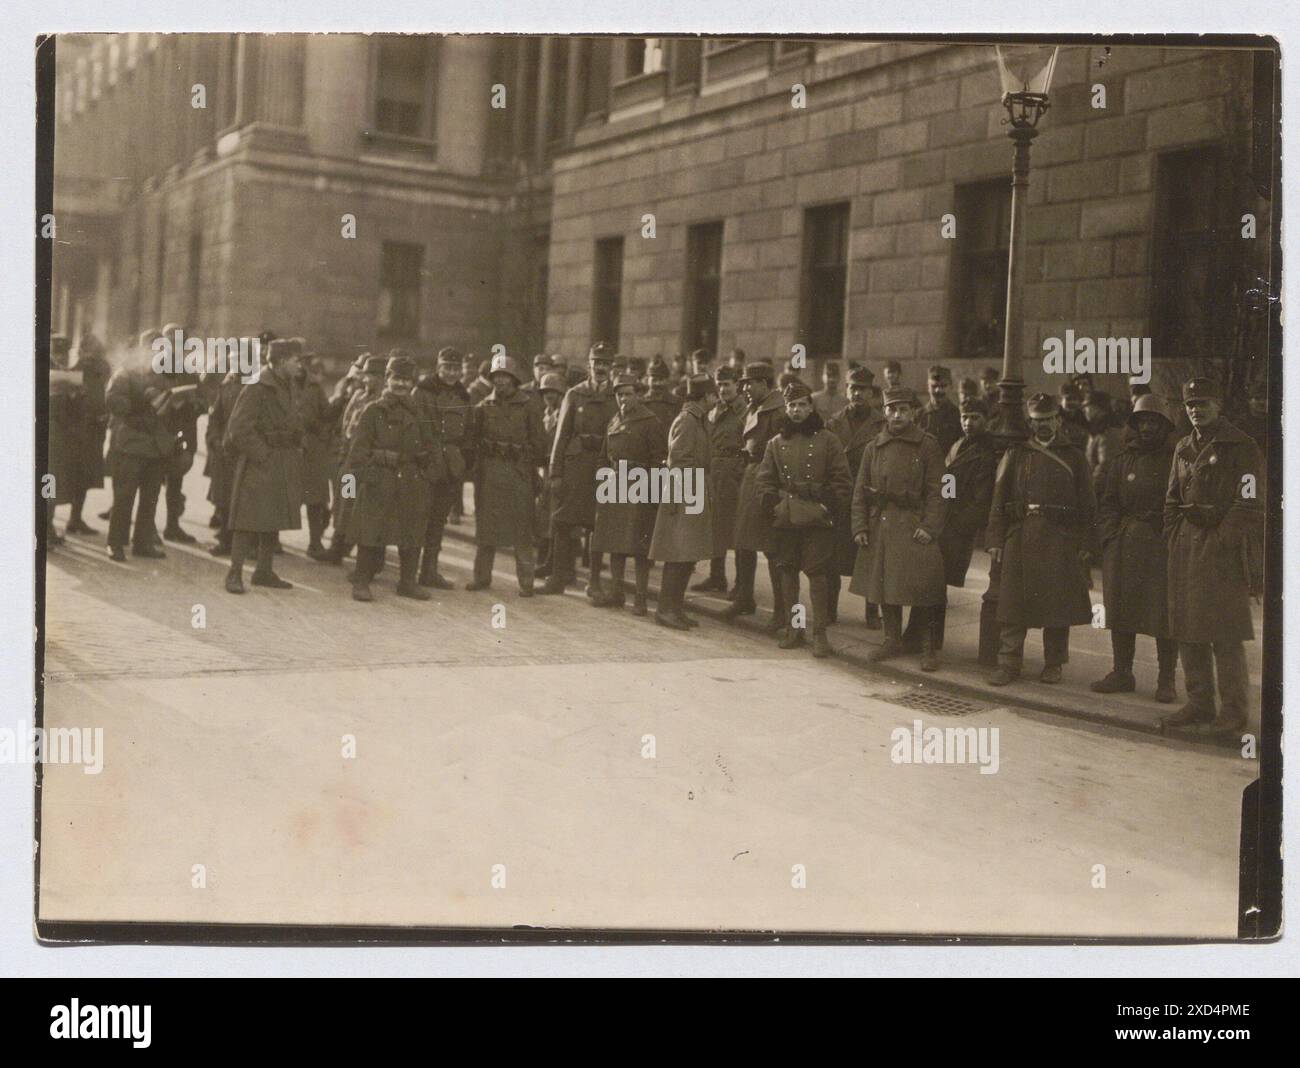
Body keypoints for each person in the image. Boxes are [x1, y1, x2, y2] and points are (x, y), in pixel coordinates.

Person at [1162, 377, 1264, 737]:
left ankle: (1233, 712)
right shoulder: (1183, 447)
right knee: (1189, 631)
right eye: (1190, 404)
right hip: (1186, 548)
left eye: (1203, 403)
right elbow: (1172, 499)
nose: (1195, 409)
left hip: (1221, 551)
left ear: (1219, 405)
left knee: (1224, 634)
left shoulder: (1242, 447)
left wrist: (1221, 538)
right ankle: (1199, 702)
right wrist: (1173, 536)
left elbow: (1249, 501)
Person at [985, 393, 1096, 685]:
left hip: (1059, 539)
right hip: (1020, 535)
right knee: (1011, 602)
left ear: (1058, 420)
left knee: (1056, 605)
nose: (1043, 426)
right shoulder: (1017, 453)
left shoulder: (1074, 457)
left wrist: (1085, 545)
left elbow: (1088, 506)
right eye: (1037, 421)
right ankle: (1009, 662)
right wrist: (995, 539)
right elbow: (999, 498)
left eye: (1048, 419)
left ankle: (1054, 663)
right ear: (1030, 422)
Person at [850, 387, 948, 671]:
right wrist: (859, 526)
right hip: (882, 523)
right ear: (885, 412)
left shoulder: (927, 445)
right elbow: (859, 492)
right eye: (892, 409)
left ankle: (927, 647)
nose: (897, 415)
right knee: (883, 585)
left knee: (924, 587)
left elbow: (939, 491)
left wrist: (930, 526)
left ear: (913, 412)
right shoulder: (873, 447)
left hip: (915, 524)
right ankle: (892, 638)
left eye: (903, 409)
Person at [1090, 393, 1179, 703]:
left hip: (1160, 546)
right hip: (1124, 544)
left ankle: (1166, 679)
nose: (1148, 428)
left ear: (1165, 426)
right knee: (1120, 609)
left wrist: (1169, 537)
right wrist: (1110, 537)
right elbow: (1108, 503)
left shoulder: (1175, 460)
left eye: (1155, 422)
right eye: (1143, 422)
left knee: (1163, 615)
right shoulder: (1122, 459)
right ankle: (1122, 672)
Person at [756, 379, 852, 657]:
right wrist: (773, 506)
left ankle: (820, 635)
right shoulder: (776, 443)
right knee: (787, 572)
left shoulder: (828, 440)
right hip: (786, 518)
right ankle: (794, 628)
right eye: (791, 406)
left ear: (811, 407)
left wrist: (826, 507)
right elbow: (764, 481)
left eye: (801, 404)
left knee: (817, 574)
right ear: (786, 409)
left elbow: (842, 481)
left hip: (817, 519)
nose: (796, 410)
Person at [342, 353, 445, 602]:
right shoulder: (372, 411)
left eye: (407, 380)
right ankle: (362, 581)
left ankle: (407, 582)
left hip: (411, 481)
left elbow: (433, 447)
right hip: (380, 479)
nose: (401, 385)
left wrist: (427, 476)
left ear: (413, 383)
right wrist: (373, 473)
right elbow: (357, 453)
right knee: (371, 532)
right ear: (387, 379)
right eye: (397, 379)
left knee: (412, 533)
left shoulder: (420, 413)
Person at [223, 338, 305, 593]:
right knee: (247, 520)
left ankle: (264, 571)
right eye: (295, 360)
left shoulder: (287, 383)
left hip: (281, 459)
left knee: (273, 517)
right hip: (261, 461)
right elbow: (238, 428)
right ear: (281, 361)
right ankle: (234, 574)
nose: (299, 365)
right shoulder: (257, 385)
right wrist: (262, 454)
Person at [465, 353, 548, 596]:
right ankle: (481, 577)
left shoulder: (529, 406)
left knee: (522, 531)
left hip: (518, 474)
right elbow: (472, 440)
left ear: (514, 380)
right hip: (489, 474)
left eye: (505, 377)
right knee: (486, 530)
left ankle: (526, 581)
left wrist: (522, 456)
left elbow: (540, 444)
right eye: (496, 377)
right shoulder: (483, 407)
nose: (501, 382)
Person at [540, 342, 616, 597]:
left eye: (605, 363)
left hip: (603, 467)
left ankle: (593, 581)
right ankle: (557, 578)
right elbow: (561, 436)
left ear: (611, 367)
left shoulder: (617, 396)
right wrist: (556, 472)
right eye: (597, 363)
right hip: (576, 465)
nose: (601, 368)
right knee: (563, 521)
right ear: (589, 365)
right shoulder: (574, 394)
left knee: (599, 524)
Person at [590, 371, 668, 614]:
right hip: (614, 486)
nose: (623, 399)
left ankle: (641, 599)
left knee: (640, 547)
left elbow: (658, 459)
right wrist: (603, 480)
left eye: (628, 394)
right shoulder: (614, 421)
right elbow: (604, 456)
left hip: (639, 487)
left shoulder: (650, 421)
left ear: (638, 395)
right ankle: (616, 592)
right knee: (615, 543)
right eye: (619, 394)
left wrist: (653, 492)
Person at [927, 396, 997, 652]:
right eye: (965, 418)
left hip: (956, 530)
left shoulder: (986, 454)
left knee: (936, 586)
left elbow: (981, 502)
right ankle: (923, 638)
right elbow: (947, 483)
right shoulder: (958, 445)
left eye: (975, 418)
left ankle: (932, 644)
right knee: (931, 584)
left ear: (986, 421)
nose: (969, 423)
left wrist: (955, 526)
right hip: (944, 522)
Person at [649, 375, 715, 630]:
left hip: (693, 492)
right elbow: (677, 460)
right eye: (712, 394)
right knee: (677, 555)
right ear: (704, 396)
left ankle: (675, 607)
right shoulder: (687, 421)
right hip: (684, 494)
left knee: (687, 556)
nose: (715, 399)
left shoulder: (697, 420)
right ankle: (665, 609)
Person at [725, 361, 787, 628]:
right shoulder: (756, 408)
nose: (745, 389)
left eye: (750, 384)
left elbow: (784, 452)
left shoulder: (778, 411)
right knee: (743, 541)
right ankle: (744, 597)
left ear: (764, 383)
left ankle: (782, 611)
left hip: (768, 481)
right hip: (750, 476)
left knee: (772, 548)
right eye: (743, 384)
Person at [103, 329, 172, 561]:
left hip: (155, 447)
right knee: (124, 497)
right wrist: (143, 402)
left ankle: (142, 542)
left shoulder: (161, 376)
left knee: (150, 498)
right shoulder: (126, 373)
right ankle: (116, 542)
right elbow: (113, 400)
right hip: (131, 444)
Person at [826, 366, 883, 628]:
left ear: (871, 393)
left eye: (863, 389)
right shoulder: (834, 422)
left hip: (868, 498)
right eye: (853, 388)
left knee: (869, 559)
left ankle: (872, 612)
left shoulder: (881, 424)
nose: (857, 393)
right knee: (833, 558)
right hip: (839, 497)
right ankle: (829, 609)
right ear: (846, 390)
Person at [414, 346, 474, 588]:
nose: (451, 373)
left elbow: (468, 431)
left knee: (438, 520)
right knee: (419, 518)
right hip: (426, 462)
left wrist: (464, 461)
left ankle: (429, 571)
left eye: (455, 368)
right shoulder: (423, 392)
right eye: (447, 367)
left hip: (451, 466)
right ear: (438, 368)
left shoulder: (463, 397)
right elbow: (418, 427)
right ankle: (410, 572)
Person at [324, 354, 385, 564]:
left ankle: (369, 559)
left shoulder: (382, 401)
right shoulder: (358, 396)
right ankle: (337, 548)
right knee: (344, 504)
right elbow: (345, 426)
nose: (368, 380)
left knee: (365, 511)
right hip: (350, 463)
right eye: (366, 375)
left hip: (368, 465)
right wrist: (342, 458)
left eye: (374, 376)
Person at [693, 365, 745, 595]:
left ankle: (743, 584)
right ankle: (717, 576)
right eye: (720, 385)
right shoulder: (713, 410)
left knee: (738, 531)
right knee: (715, 526)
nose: (723, 389)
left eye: (727, 384)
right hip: (713, 472)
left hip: (734, 475)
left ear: (737, 385)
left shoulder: (745, 411)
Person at [158, 322, 204, 545]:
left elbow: (203, 400)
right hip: (160, 432)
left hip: (183, 432)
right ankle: (146, 528)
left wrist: (196, 404)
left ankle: (172, 526)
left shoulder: (189, 372)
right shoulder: (154, 369)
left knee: (175, 481)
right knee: (151, 480)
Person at [64, 333, 111, 535]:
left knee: (82, 477)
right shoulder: (80, 370)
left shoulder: (97, 369)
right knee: (76, 476)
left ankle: (75, 519)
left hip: (91, 432)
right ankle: (68, 520)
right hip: (81, 432)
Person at [295, 351, 336, 560]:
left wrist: (320, 430)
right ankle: (269, 540)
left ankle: (315, 542)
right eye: (296, 360)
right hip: (289, 448)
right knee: (281, 494)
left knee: (316, 499)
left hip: (312, 450)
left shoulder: (315, 387)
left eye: (302, 360)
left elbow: (327, 415)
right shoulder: (282, 382)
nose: (299, 364)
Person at [533, 371, 568, 581]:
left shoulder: (563, 413)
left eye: (553, 392)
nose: (549, 396)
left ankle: (557, 565)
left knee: (556, 517)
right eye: (546, 392)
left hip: (557, 470)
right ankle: (545, 561)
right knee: (544, 515)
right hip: (544, 469)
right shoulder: (545, 414)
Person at [919, 364, 962, 457]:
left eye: (943, 386)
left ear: (951, 386)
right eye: (934, 386)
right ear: (928, 387)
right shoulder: (919, 416)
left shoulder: (958, 415)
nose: (938, 390)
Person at [643, 358, 681, 429]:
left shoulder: (677, 403)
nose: (657, 383)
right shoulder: (641, 403)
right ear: (648, 380)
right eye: (654, 380)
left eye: (661, 380)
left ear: (667, 380)